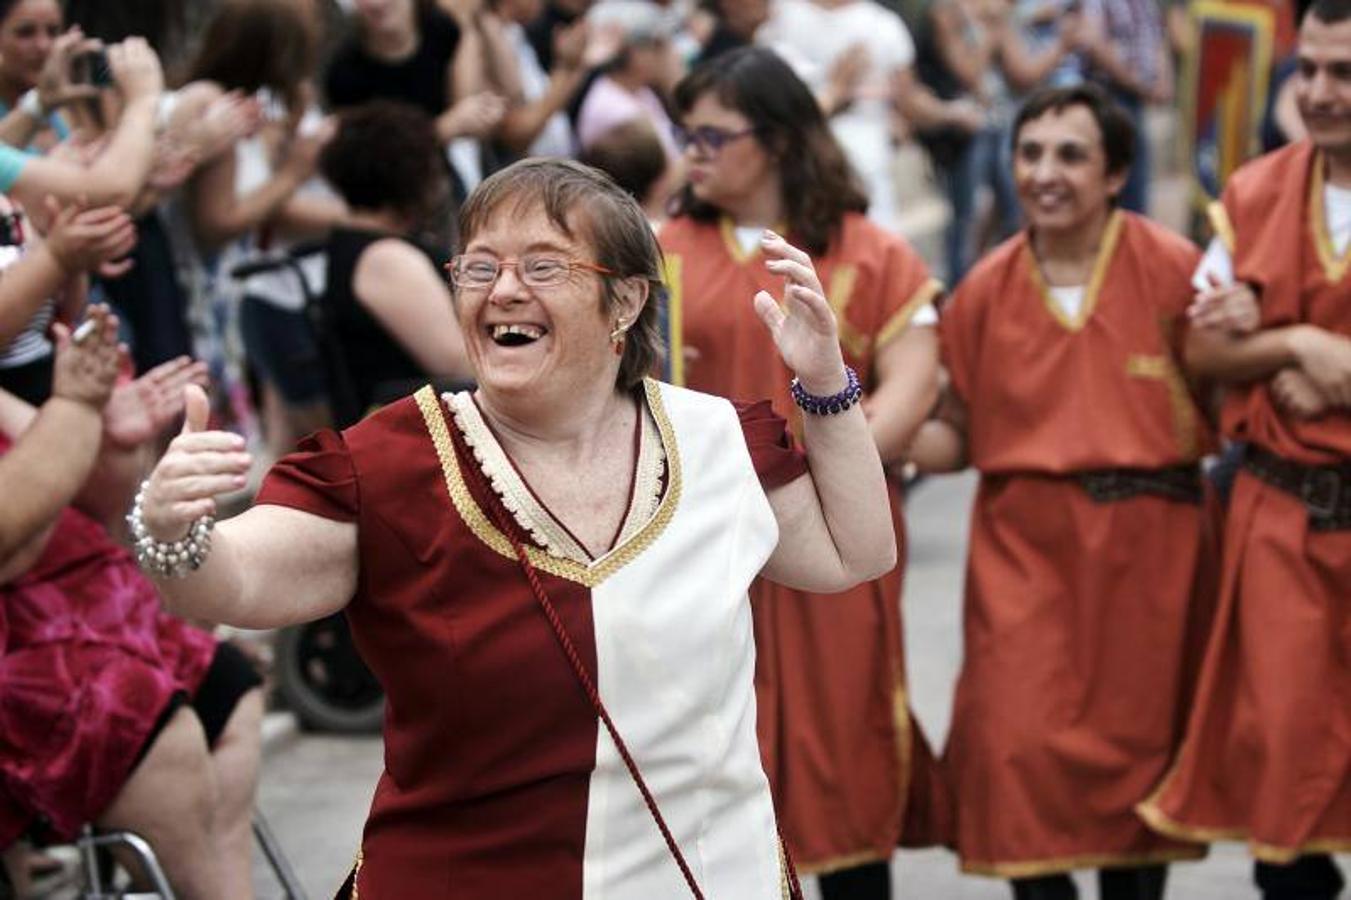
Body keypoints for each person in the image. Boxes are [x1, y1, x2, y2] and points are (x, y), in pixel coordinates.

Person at [134, 156, 897, 897]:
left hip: (706, 876)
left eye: (543, 267)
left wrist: (825, 383)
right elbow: (235, 583)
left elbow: (853, 552)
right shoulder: (391, 462)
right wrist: (174, 529)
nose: (502, 291)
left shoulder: (717, 441)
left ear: (626, 302)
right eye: (477, 267)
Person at [910, 83, 1218, 900]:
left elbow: (1228, 403)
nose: (1044, 173)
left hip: (1148, 562)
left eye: (1070, 155)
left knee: (1136, 790)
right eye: (1030, 153)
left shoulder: (1174, 270)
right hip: (1023, 558)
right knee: (1013, 759)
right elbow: (958, 437)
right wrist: (857, 423)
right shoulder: (981, 291)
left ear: (1115, 173)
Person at [659, 48, 946, 900]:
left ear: (779, 141)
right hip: (704, 548)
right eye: (686, 135)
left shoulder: (873, 251)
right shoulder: (658, 252)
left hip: (835, 546)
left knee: (842, 741)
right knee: (716, 752)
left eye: (713, 134)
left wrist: (835, 482)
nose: (693, 153)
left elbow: (914, 380)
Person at [1136, 3, 1351, 897]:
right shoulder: (1258, 190)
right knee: (1283, 768)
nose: (1321, 92)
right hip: (1281, 516)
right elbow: (1203, 348)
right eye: (1310, 70)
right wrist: (1293, 347)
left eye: (1344, 73)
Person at [0, 306, 264, 900]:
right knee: (135, 712)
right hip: (22, 647)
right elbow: (11, 543)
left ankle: (219, 886)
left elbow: (103, 507)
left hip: (82, 605)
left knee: (228, 682)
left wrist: (115, 443)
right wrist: (76, 410)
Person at [316, 100, 472, 426]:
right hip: (410, 430)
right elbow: (456, 363)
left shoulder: (353, 242)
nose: (442, 181)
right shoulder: (386, 259)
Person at [324, 0, 505, 196]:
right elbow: (367, 161)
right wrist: (443, 128)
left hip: (448, 171)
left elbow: (468, 102)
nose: (376, 4)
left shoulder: (439, 28)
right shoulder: (344, 72)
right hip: (398, 195)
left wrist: (481, 113)